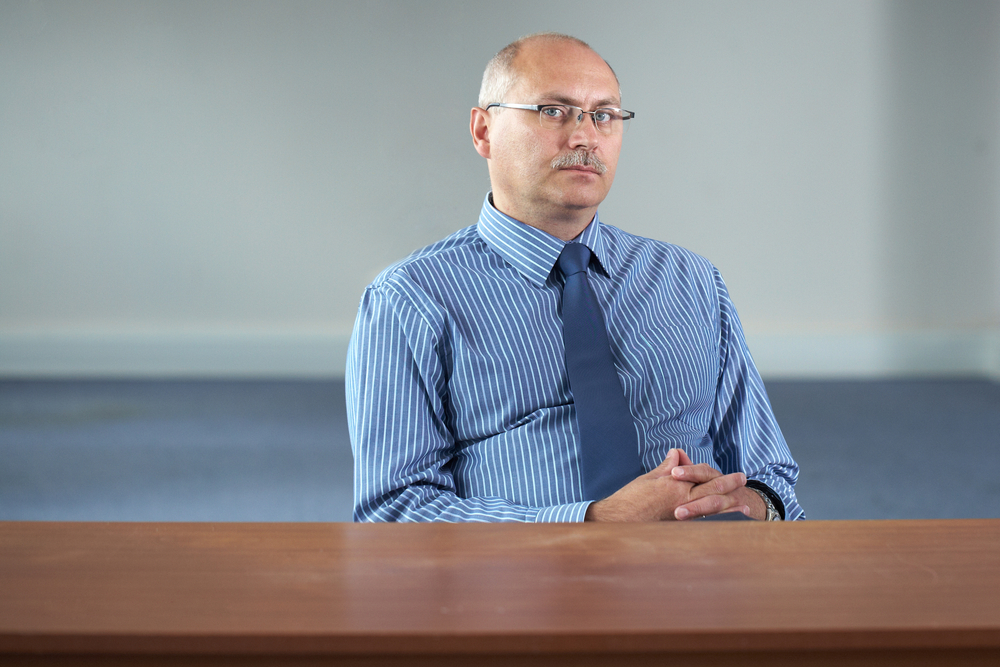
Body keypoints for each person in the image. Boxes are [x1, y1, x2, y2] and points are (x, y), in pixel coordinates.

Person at [346, 33, 803, 523]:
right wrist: (592, 523)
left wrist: (746, 504)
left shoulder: (691, 281)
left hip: (691, 578)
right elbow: (392, 511)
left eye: (603, 115)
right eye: (553, 111)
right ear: (483, 131)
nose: (585, 137)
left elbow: (772, 477)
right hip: (519, 588)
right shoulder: (411, 299)